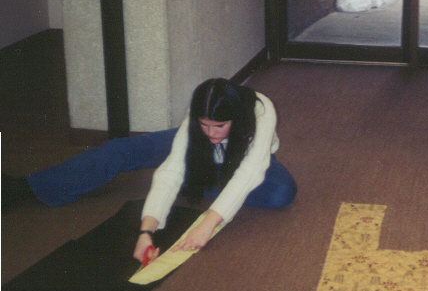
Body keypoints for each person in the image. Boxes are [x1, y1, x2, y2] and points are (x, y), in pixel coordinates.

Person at [2, 78, 297, 263]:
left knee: (281, 192)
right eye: (204, 125)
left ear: (234, 118)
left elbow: (249, 172)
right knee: (121, 150)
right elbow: (170, 170)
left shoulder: (261, 111)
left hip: (242, 161)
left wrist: (209, 224)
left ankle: (194, 181)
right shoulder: (197, 125)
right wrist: (147, 230)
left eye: (220, 126)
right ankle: (28, 187)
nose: (211, 133)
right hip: (199, 157)